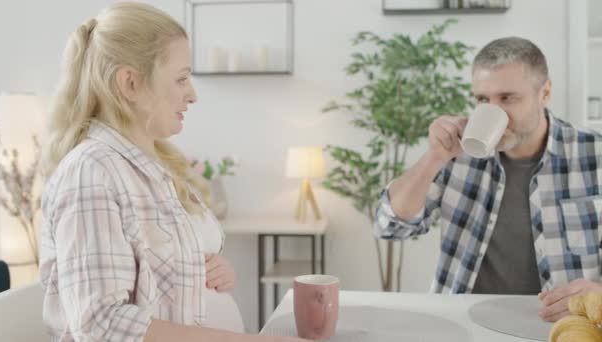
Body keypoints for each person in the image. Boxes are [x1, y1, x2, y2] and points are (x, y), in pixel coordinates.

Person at [38, 3, 309, 341]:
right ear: (130, 83)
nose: (192, 94)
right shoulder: (91, 173)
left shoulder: (152, 162)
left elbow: (160, 271)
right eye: (181, 78)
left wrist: (208, 270)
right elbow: (101, 325)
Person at [374, 36, 602, 323]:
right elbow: (390, 226)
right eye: (483, 99)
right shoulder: (456, 154)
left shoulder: (595, 155)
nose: (494, 111)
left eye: (507, 98)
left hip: (562, 328)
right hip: (462, 325)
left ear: (544, 93)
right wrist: (433, 158)